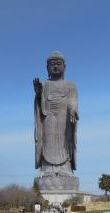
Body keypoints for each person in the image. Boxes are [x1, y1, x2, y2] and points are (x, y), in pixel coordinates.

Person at [33, 51, 79, 182]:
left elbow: (73, 101)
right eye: (52, 64)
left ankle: (65, 169)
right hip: (48, 118)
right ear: (47, 67)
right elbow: (40, 105)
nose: (55, 66)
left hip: (64, 119)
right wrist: (38, 95)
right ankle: (47, 169)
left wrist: (73, 110)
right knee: (47, 140)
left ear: (65, 66)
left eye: (58, 64)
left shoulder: (71, 85)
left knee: (65, 141)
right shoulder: (44, 84)